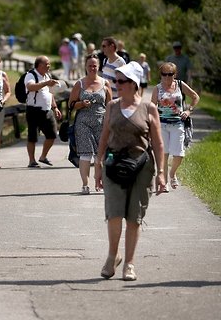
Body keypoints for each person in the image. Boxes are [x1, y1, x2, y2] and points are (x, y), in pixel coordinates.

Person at [95, 61, 166, 282]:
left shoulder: (148, 108)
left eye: (122, 81)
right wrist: (98, 166)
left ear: (133, 84)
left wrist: (162, 173)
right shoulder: (112, 106)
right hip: (114, 165)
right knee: (114, 213)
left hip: (141, 167)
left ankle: (129, 264)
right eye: (116, 80)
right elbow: (104, 136)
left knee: (134, 217)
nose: (117, 84)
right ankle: (112, 256)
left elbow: (158, 144)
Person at [150, 62, 199, 191]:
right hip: (162, 125)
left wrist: (189, 111)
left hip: (178, 123)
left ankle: (172, 173)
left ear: (175, 74)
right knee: (164, 154)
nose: (167, 77)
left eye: (170, 74)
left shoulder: (180, 85)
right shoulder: (157, 88)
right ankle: (164, 182)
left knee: (179, 154)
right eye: (164, 74)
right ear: (160, 75)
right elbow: (151, 106)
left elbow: (195, 97)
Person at [68, 54, 112, 194]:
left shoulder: (105, 83)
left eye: (95, 65)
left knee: (102, 155)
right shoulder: (79, 84)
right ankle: (85, 184)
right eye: (90, 65)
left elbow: (110, 104)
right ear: (85, 67)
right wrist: (81, 104)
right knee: (85, 154)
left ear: (98, 67)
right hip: (83, 122)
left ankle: (101, 180)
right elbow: (71, 104)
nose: (92, 68)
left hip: (102, 122)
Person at [24, 56, 62, 168]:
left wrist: (55, 107)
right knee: (32, 137)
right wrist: (45, 83)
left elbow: (50, 93)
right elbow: (30, 87)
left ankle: (43, 156)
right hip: (33, 110)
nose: (49, 66)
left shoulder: (47, 76)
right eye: (47, 64)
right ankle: (32, 160)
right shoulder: (31, 75)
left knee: (52, 135)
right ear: (40, 65)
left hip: (47, 110)